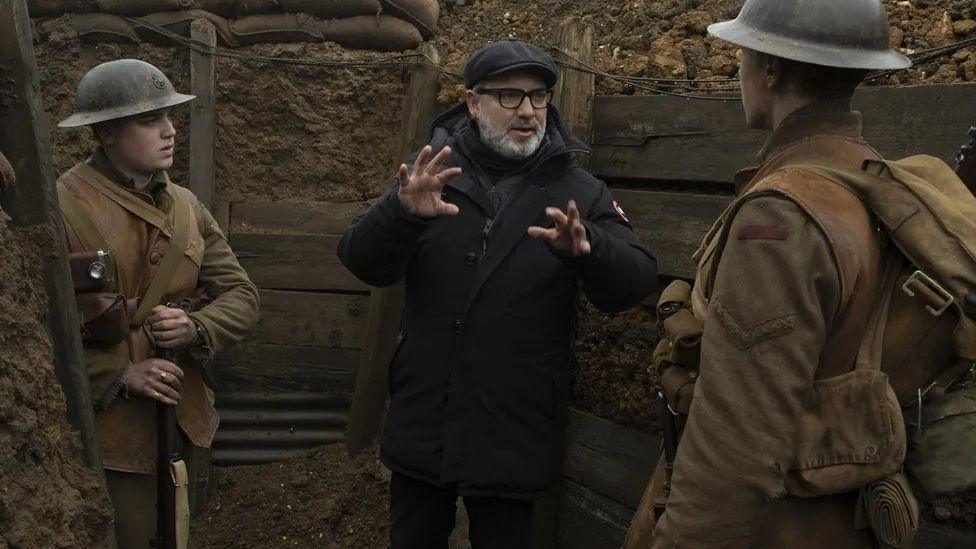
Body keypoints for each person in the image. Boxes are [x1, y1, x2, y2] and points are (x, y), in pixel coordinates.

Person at [338, 39, 657, 549]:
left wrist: (589, 250)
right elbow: (360, 260)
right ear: (472, 102)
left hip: (514, 424)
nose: (527, 110)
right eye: (509, 96)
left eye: (538, 97)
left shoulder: (579, 189)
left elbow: (636, 281)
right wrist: (399, 215)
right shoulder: (430, 173)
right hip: (426, 416)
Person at [625, 0, 920, 547]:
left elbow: (735, 448)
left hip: (776, 527)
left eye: (744, 53)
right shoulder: (864, 176)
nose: (739, 69)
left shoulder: (781, 215)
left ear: (771, 68)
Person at [56, 59, 259, 548]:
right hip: (107, 432)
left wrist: (197, 328)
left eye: (170, 117)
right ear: (105, 133)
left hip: (180, 417)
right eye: (149, 120)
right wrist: (119, 375)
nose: (170, 130)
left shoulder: (187, 207)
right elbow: (36, 330)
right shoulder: (61, 207)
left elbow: (242, 295)